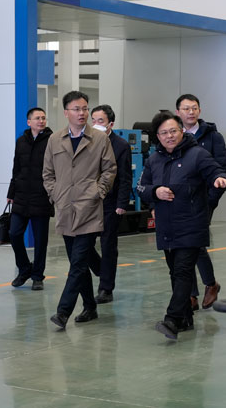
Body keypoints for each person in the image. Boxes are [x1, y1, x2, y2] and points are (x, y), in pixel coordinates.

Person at [137, 111, 226, 340]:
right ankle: (186, 318)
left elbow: (215, 171)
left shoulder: (197, 154)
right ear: (157, 136)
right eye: (164, 133)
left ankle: (172, 319)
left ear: (182, 131)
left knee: (182, 270)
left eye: (173, 131)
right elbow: (140, 187)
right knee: (175, 272)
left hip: (191, 224)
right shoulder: (153, 159)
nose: (169, 136)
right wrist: (155, 192)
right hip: (166, 226)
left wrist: (219, 180)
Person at [43, 91, 117, 329]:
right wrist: (55, 193)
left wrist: (98, 192)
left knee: (77, 263)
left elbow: (110, 169)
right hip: (65, 208)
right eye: (77, 109)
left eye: (85, 108)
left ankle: (63, 311)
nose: (82, 113)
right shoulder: (55, 139)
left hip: (89, 208)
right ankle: (90, 307)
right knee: (80, 262)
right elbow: (48, 173)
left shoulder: (100, 139)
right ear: (66, 112)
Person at [175, 94, 226, 310]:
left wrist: (211, 198)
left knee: (194, 243)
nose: (191, 112)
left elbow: (222, 168)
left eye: (194, 108)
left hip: (203, 200)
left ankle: (207, 285)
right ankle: (194, 293)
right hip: (179, 200)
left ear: (199, 110)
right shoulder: (174, 135)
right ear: (178, 112)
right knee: (184, 245)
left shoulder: (213, 137)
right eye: (186, 108)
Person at [87, 105, 133, 304]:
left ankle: (106, 288)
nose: (96, 124)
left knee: (108, 245)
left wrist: (122, 203)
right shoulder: (86, 142)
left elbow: (125, 177)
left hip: (110, 202)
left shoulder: (121, 145)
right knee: (84, 243)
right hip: (89, 201)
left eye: (101, 121)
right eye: (93, 120)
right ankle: (101, 269)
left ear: (110, 124)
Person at [7, 107, 54, 291]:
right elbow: (16, 168)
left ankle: (37, 276)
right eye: (37, 118)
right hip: (21, 196)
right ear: (29, 122)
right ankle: (24, 269)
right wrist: (11, 193)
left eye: (43, 118)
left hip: (42, 197)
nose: (41, 121)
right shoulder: (21, 141)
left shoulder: (52, 141)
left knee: (40, 240)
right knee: (14, 234)